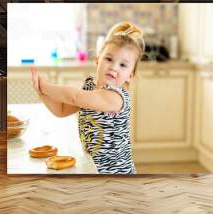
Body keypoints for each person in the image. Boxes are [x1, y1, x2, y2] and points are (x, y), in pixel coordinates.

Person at [31, 21, 145, 174]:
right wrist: (41, 92)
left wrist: (46, 87)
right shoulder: (90, 86)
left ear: (130, 76)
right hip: (94, 168)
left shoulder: (116, 98)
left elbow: (74, 97)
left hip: (118, 174)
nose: (114, 67)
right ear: (97, 61)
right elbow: (62, 110)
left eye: (123, 65)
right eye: (109, 59)